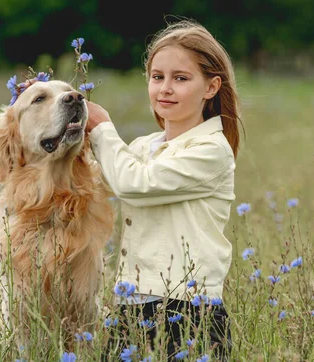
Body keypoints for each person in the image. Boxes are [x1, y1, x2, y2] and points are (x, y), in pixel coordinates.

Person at [85, 18, 243, 361]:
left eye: (180, 78)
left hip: (188, 313)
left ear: (211, 87)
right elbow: (94, 181)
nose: (165, 88)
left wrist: (102, 131)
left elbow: (134, 183)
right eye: (157, 77)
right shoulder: (143, 147)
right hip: (130, 309)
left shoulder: (211, 151)